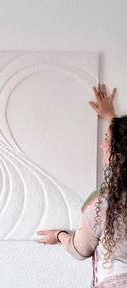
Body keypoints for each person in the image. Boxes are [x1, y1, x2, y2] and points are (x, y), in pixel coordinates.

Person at [35, 83, 127, 287]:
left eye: (106, 140)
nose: (102, 146)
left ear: (116, 155)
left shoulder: (102, 204)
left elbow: (80, 250)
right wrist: (111, 116)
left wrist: (59, 236)